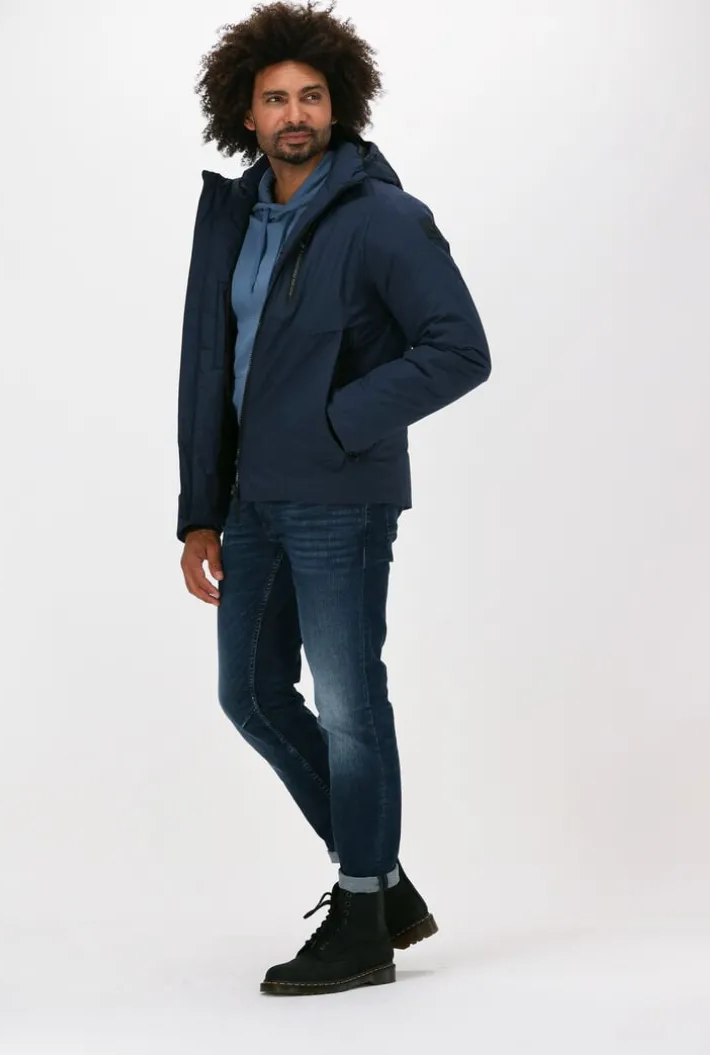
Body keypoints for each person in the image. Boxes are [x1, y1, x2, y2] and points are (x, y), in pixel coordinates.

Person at [176, 0, 491, 996]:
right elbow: (207, 368)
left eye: (311, 96)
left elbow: (460, 349)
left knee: (350, 703)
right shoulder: (231, 216)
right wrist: (199, 508)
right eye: (275, 99)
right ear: (246, 113)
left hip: (341, 498)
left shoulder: (383, 218)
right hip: (251, 500)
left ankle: (361, 919)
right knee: (251, 694)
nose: (295, 114)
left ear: (339, 105)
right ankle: (383, 885)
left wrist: (337, 419)